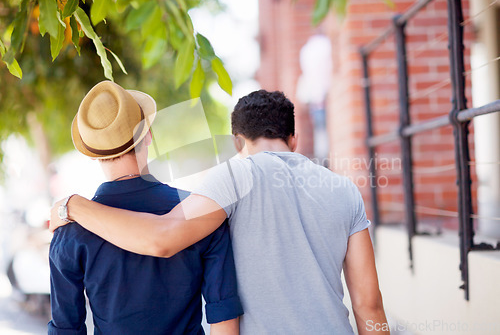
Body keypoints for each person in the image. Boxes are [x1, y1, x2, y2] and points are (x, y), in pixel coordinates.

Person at [51, 89, 389, 334]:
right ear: (294, 139)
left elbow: (161, 237)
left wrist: (73, 205)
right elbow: (370, 306)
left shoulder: (230, 180)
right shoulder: (344, 189)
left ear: (238, 141)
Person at [48, 81, 242, 334]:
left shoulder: (69, 232)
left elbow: (66, 330)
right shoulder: (201, 212)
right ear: (148, 135)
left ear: (92, 153)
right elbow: (223, 315)